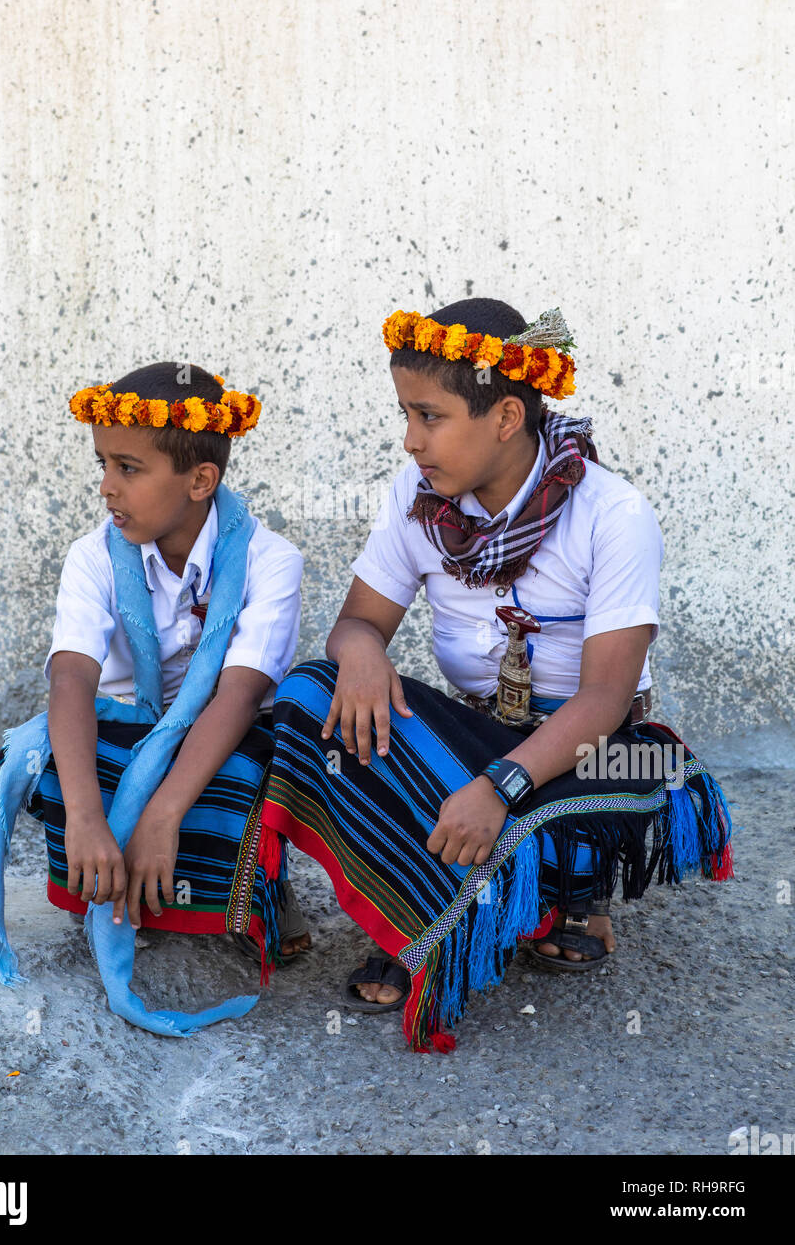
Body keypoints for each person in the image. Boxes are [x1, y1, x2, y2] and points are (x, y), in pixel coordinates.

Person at [262, 299, 732, 1052]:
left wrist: (495, 788)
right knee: (311, 693)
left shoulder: (612, 515)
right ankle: (415, 904)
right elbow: (356, 623)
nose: (410, 441)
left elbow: (605, 698)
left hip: (587, 745)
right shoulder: (415, 500)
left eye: (429, 417)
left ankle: (560, 886)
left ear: (506, 416)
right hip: (477, 729)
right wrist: (359, 654)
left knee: (614, 775)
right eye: (404, 417)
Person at [0, 363, 308, 1037]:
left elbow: (243, 691)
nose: (107, 487)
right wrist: (83, 816)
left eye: (128, 467)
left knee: (260, 771)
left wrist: (161, 814)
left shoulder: (268, 560)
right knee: (47, 757)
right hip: (124, 726)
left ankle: (252, 897)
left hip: (217, 730)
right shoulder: (95, 555)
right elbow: (71, 679)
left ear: (200, 481)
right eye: (103, 463)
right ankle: (114, 877)